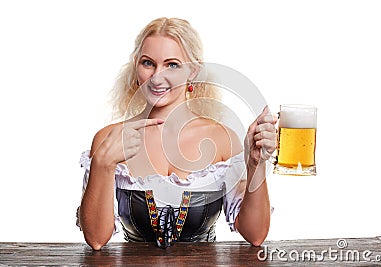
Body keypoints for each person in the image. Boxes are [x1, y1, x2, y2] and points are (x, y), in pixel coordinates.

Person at [77, 17, 277, 250]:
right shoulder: (109, 138)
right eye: (148, 63)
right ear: (136, 66)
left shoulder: (222, 139)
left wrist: (256, 165)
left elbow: (255, 235)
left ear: (193, 71)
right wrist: (103, 163)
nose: (157, 76)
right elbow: (97, 240)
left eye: (172, 65)